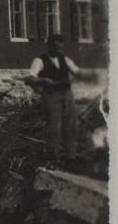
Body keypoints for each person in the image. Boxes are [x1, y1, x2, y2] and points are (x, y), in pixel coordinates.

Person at [26, 34, 97, 163]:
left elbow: (77, 72)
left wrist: (91, 75)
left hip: (67, 94)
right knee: (54, 128)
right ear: (49, 46)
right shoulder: (40, 60)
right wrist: (43, 80)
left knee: (71, 127)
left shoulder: (64, 59)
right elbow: (30, 78)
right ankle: (53, 159)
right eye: (56, 48)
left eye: (60, 48)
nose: (59, 50)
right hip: (51, 95)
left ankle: (71, 158)